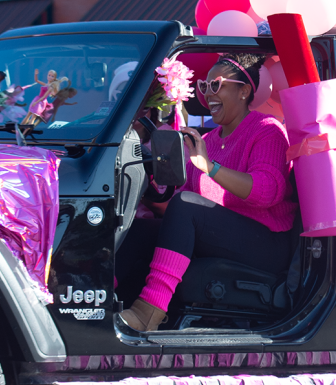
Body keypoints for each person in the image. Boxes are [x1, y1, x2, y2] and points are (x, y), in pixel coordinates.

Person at [116, 53, 297, 332]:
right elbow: (182, 202)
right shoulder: (209, 140)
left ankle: (149, 311)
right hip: (224, 235)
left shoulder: (267, 130)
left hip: (268, 242)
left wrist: (210, 167)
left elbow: (266, 192)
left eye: (217, 85)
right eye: (203, 86)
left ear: (244, 90)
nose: (207, 95)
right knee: (141, 230)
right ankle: (102, 301)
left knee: (187, 206)